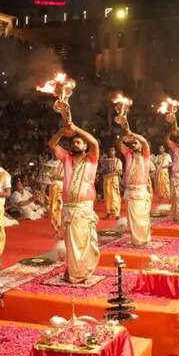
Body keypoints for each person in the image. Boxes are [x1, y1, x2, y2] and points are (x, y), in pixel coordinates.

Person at [47, 121, 100, 283]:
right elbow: (51, 144)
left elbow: (94, 143)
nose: (75, 145)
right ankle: (74, 270)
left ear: (85, 146)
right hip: (69, 208)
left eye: (78, 142)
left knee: (84, 241)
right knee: (71, 243)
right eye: (73, 142)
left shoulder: (91, 159)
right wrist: (63, 131)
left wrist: (75, 128)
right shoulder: (66, 158)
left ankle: (82, 271)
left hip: (84, 208)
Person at [117, 129, 152, 247]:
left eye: (135, 143)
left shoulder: (145, 155)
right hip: (130, 191)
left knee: (142, 217)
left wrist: (133, 134)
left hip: (141, 191)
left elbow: (145, 142)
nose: (133, 145)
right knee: (132, 218)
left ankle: (144, 238)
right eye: (132, 143)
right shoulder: (128, 154)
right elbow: (119, 143)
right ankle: (136, 240)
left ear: (141, 145)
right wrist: (125, 136)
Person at [100, 147, 123, 220]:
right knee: (107, 196)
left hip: (114, 178)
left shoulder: (118, 161)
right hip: (106, 179)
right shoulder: (105, 161)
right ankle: (108, 212)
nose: (111, 152)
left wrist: (117, 170)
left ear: (115, 152)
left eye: (112, 150)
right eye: (109, 150)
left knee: (115, 195)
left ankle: (116, 213)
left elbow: (121, 172)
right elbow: (102, 171)